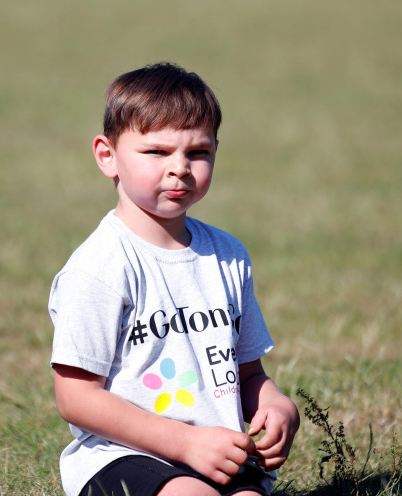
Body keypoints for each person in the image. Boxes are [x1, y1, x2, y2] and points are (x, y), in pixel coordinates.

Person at [49, 62, 300, 496]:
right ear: (107, 156)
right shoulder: (99, 267)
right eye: (157, 152)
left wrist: (277, 405)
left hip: (216, 453)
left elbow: (247, 374)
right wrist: (184, 443)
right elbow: (76, 398)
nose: (180, 167)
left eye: (198, 152)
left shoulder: (227, 255)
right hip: (121, 457)